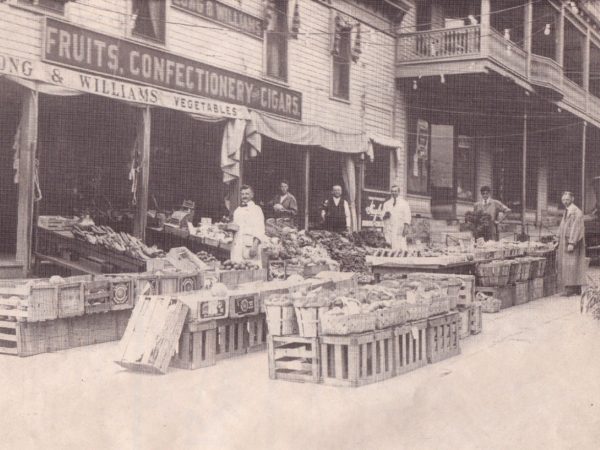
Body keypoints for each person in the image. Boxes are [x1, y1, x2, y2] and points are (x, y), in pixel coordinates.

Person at [557, 191, 587, 296]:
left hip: (572, 242)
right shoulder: (567, 211)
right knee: (571, 264)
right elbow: (562, 225)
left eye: (567, 200)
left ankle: (570, 288)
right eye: (563, 200)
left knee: (571, 264)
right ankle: (576, 288)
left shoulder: (576, 212)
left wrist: (572, 242)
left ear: (572, 199)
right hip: (565, 241)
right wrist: (557, 238)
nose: (565, 202)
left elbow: (577, 228)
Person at [229, 185, 266, 267]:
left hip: (249, 246)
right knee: (236, 268)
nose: (244, 196)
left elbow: (260, 229)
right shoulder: (237, 210)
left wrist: (255, 246)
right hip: (237, 245)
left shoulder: (256, 209)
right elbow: (236, 227)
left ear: (252, 195)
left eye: (247, 194)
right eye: (242, 194)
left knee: (251, 269)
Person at [382, 185, 412, 252]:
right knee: (391, 245)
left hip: (400, 227)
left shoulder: (404, 203)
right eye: (392, 191)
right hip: (390, 227)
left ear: (399, 192)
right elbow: (382, 216)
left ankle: (402, 259)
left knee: (401, 245)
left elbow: (407, 216)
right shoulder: (387, 203)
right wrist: (385, 215)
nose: (394, 193)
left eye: (395, 191)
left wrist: (406, 227)